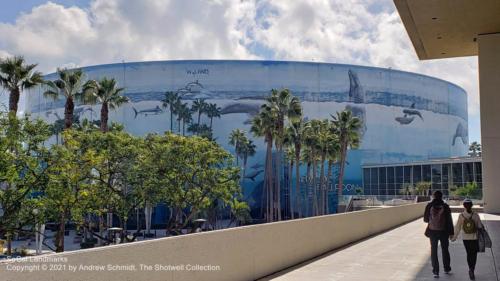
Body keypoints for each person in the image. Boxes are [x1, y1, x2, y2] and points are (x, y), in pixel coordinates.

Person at [424, 190, 454, 278]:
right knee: (445, 250)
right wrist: (451, 232)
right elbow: (449, 220)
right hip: (444, 231)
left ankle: (436, 271)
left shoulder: (429, 205)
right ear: (441, 196)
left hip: (432, 231)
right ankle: (447, 269)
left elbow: (425, 220)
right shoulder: (445, 206)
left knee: (434, 251)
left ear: (433, 196)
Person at [451, 199, 483, 280]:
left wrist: (454, 237)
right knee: (474, 254)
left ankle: (470, 269)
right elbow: (480, 227)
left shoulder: (461, 216)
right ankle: (472, 269)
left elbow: (457, 227)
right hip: (474, 238)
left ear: (464, 206)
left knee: (469, 254)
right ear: (472, 206)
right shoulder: (476, 215)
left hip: (466, 238)